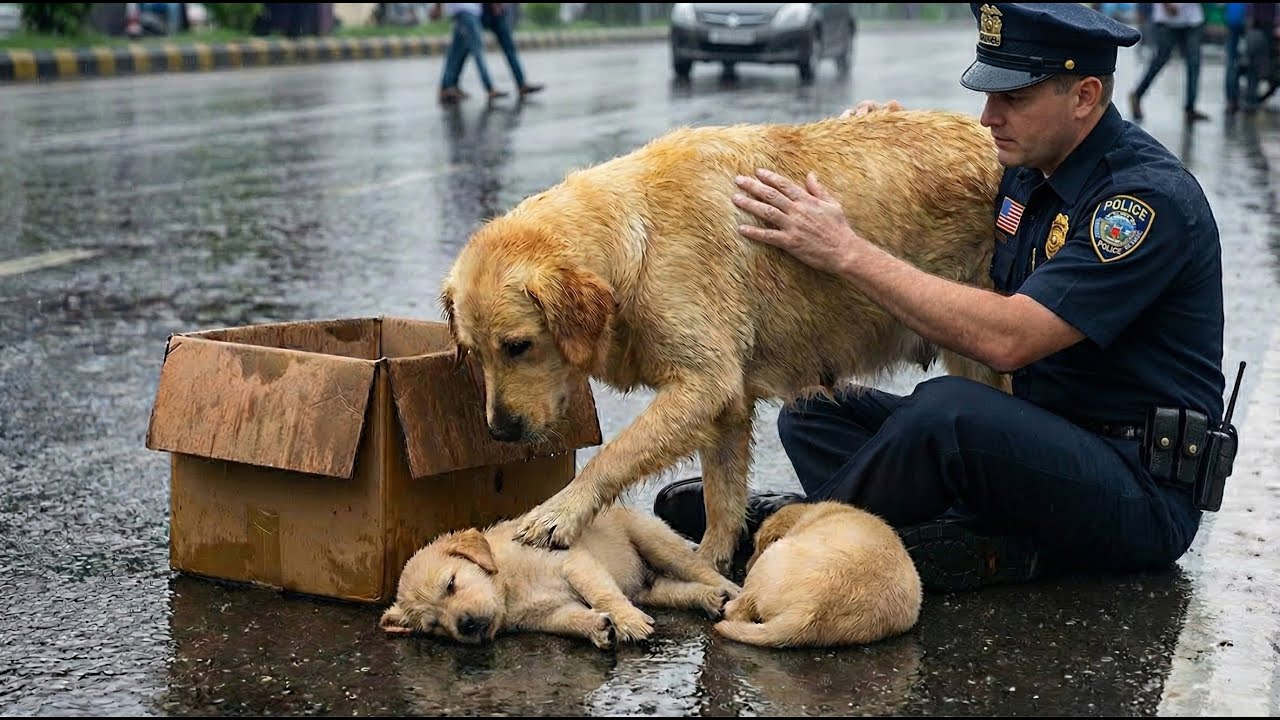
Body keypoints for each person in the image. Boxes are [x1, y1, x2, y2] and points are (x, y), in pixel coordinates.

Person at [654, 2, 1228, 594]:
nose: (988, 116)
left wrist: (845, 251)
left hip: (1136, 489)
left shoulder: (1139, 204)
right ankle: (948, 539)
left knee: (945, 413)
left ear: (1083, 96)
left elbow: (1011, 339)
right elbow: (943, 176)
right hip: (1043, 440)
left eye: (1013, 98)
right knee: (813, 411)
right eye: (988, 94)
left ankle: (791, 541)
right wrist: (887, 152)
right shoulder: (1037, 167)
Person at [1128, 3, 1210, 122]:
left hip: (1192, 18)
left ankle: (1190, 108)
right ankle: (1137, 94)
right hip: (1168, 18)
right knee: (1160, 60)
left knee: (1194, 63)